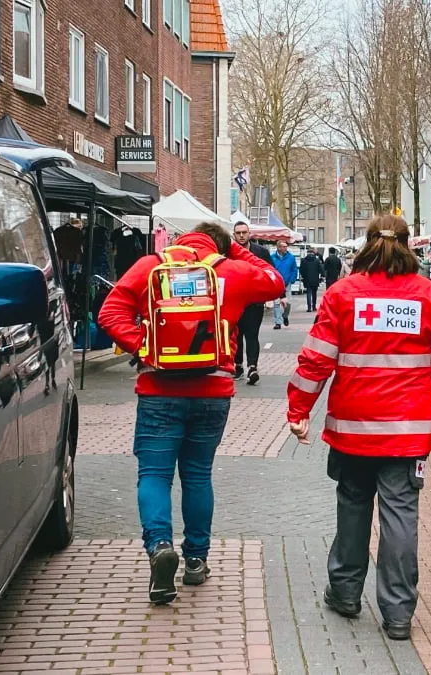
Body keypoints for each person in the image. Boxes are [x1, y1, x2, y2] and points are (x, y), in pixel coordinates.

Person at [288, 215, 431, 641]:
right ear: (409, 246)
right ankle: (398, 612)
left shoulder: (342, 295)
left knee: (352, 505)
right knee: (400, 513)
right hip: (409, 429)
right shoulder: (429, 297)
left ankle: (346, 592)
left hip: (354, 426)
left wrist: (299, 410)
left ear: (367, 245)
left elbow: (317, 359)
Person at [99, 222, 285, 605]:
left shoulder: (151, 266)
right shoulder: (230, 270)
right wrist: (235, 251)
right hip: (212, 389)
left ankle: (159, 547)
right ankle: (196, 560)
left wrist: (144, 348)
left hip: (158, 389)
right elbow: (275, 281)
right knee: (198, 475)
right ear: (221, 244)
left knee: (154, 475)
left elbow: (110, 313)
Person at [232, 217, 275, 382]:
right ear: (234, 235)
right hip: (236, 300)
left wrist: (275, 295)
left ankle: (252, 367)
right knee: (236, 335)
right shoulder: (229, 252)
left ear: (249, 234)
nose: (241, 236)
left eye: (244, 233)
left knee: (252, 335)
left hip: (254, 301)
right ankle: (238, 365)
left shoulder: (260, 252)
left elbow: (271, 272)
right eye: (238, 233)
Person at [271, 240, 299, 328]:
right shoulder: (272, 257)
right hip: (276, 283)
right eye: (283, 246)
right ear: (278, 247)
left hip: (287, 283)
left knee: (288, 302)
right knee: (276, 303)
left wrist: (292, 279)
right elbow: (270, 269)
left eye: (286, 246)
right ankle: (278, 322)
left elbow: (294, 269)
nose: (285, 248)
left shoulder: (291, 257)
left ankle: (285, 315)